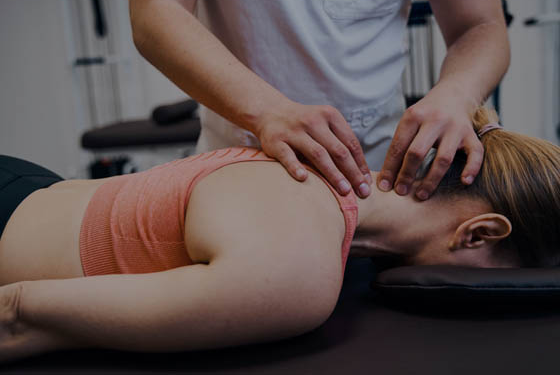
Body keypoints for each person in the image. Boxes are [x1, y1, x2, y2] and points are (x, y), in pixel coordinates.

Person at [1, 108, 558, 363]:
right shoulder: (297, 270)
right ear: (480, 234)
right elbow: (16, 314)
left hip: (30, 186)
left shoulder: (312, 173)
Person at [129, 0, 510, 202]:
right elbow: (156, 11)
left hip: (385, 183)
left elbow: (480, 25)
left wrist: (457, 93)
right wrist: (266, 111)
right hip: (239, 178)